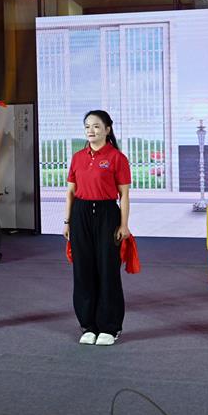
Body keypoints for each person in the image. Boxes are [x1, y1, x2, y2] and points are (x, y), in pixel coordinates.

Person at [63, 110, 131, 346]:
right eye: (87, 127)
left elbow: (124, 195)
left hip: (107, 214)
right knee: (83, 270)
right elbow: (70, 192)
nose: (90, 131)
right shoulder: (78, 157)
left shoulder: (117, 158)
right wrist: (67, 221)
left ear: (107, 130)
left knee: (107, 270)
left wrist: (123, 224)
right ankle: (88, 325)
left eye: (96, 126)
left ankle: (110, 327)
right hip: (80, 214)